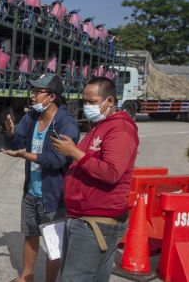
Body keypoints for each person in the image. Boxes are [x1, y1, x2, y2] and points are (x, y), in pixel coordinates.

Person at [51, 77, 138, 281]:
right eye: (85, 101)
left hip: (95, 223)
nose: (87, 106)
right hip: (84, 218)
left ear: (109, 101)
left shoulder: (120, 130)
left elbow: (111, 172)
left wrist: (74, 152)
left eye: (92, 101)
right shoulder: (100, 126)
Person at [1, 73, 79, 282]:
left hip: (53, 195)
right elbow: (16, 144)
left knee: (53, 243)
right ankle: (27, 275)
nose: (33, 96)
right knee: (31, 233)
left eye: (38, 92)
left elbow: (58, 161)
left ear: (52, 97)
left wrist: (26, 155)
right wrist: (10, 133)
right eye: (33, 91)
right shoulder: (32, 118)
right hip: (31, 191)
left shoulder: (65, 123)